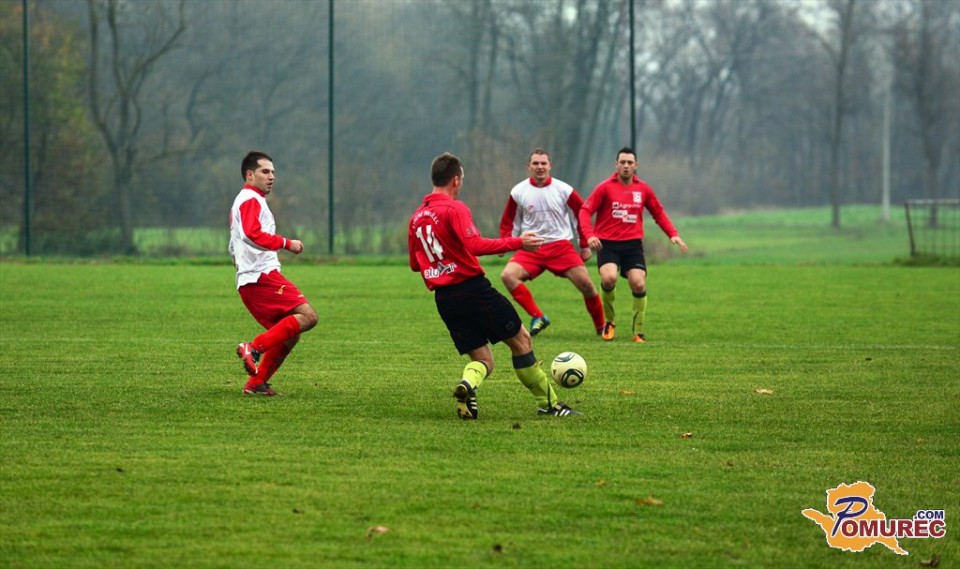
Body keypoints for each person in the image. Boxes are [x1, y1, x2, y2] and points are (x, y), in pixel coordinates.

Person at [409, 152, 579, 419]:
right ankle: (550, 405)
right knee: (521, 340)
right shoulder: (455, 208)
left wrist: (443, 263)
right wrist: (518, 242)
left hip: (445, 299)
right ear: (456, 180)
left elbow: (415, 263)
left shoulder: (417, 217)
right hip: (473, 291)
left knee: (483, 360)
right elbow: (475, 245)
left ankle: (468, 385)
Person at [230, 151, 319, 396]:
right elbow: (251, 234)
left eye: (273, 172)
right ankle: (253, 348)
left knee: (290, 334)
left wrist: (240, 266)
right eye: (265, 171)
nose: (271, 177)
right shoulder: (250, 199)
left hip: (253, 278)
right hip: (261, 277)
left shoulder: (249, 200)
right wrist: (286, 243)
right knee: (309, 316)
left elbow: (235, 243)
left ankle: (256, 383)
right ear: (250, 175)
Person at [578, 146, 688, 344]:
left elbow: (658, 212)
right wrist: (589, 236)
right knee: (609, 278)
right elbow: (585, 211)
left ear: (636, 165)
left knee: (638, 283)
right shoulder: (605, 187)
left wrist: (673, 234)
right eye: (623, 162)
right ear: (616, 164)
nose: (626, 166)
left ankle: (638, 332)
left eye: (630, 162)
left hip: (632, 246)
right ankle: (609, 322)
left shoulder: (643, 189)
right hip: (607, 244)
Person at [498, 148, 606, 336]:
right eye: (536, 163)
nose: (540, 167)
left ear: (550, 166)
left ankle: (602, 328)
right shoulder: (518, 191)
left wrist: (584, 244)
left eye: (543, 163)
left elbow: (581, 214)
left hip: (561, 247)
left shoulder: (564, 190)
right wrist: (505, 243)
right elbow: (510, 221)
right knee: (508, 276)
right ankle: (538, 316)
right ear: (529, 166)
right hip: (531, 246)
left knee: (587, 285)